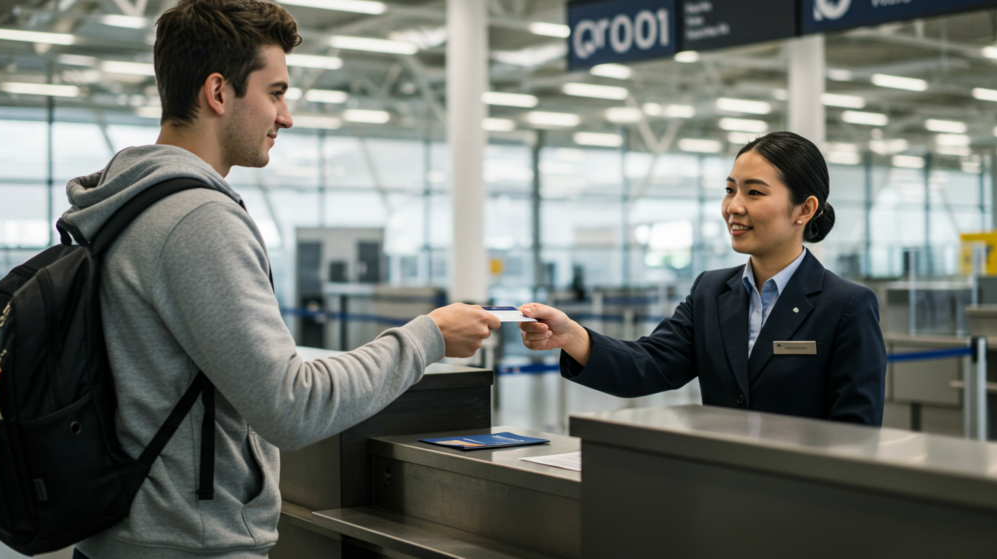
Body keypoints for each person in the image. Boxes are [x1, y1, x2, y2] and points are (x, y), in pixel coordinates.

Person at [63, 1, 500, 558]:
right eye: (275, 92)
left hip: (120, 535)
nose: (286, 116)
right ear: (218, 93)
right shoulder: (198, 220)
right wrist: (428, 337)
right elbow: (292, 407)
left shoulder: (123, 204)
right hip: (187, 545)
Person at [519, 132, 886, 426]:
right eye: (730, 190)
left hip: (800, 501)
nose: (733, 206)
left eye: (754, 192)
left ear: (804, 209)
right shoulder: (711, 292)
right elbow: (647, 366)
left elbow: (856, 431)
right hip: (719, 491)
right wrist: (570, 335)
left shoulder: (846, 306)